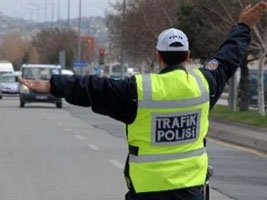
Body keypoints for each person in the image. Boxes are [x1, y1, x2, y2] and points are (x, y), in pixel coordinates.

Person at [19, 2, 267, 200]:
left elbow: (93, 88)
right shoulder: (204, 85)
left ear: (158, 56)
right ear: (188, 56)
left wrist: (53, 84)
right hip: (191, 191)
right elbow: (227, 58)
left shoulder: (138, 90)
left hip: (147, 192)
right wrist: (243, 27)